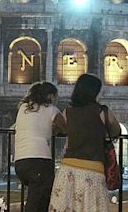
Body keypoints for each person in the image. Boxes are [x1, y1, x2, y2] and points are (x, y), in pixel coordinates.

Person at [48, 74, 120, 212]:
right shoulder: (102, 111)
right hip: (93, 169)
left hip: (68, 168)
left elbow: (59, 129)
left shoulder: (68, 112)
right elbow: (116, 131)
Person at [14, 81, 66, 212]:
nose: (56, 100)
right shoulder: (51, 109)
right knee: (38, 202)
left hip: (20, 161)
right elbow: (66, 128)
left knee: (37, 198)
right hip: (39, 159)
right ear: (50, 96)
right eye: (55, 96)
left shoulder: (24, 108)